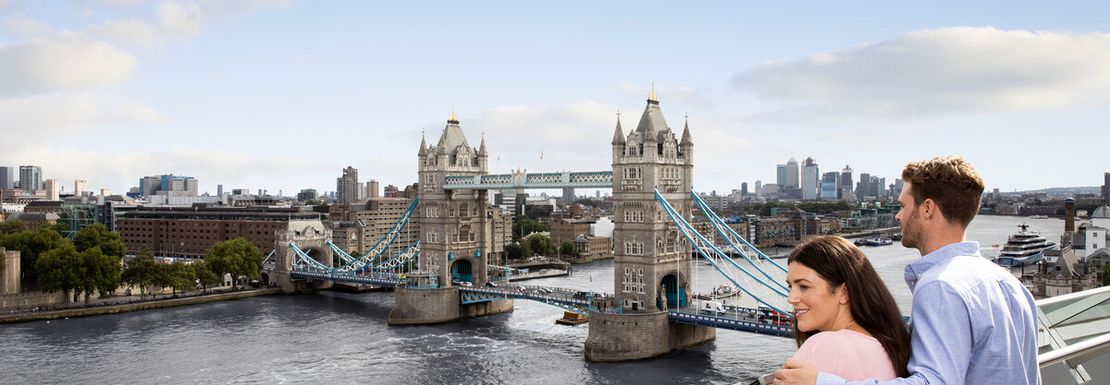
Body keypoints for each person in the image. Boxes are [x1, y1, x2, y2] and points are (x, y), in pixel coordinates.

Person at [774, 156, 1040, 385]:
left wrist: (822, 381)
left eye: (903, 206)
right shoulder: (1008, 283)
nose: (898, 216)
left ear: (927, 208)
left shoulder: (941, 286)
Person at [783, 236, 910, 381]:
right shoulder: (890, 346)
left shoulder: (822, 346)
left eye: (804, 286)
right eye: (790, 286)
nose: (791, 299)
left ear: (844, 292)